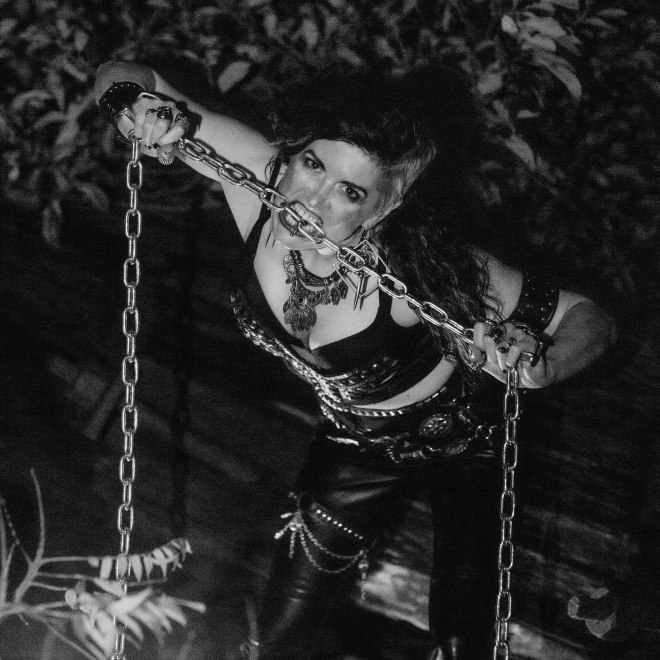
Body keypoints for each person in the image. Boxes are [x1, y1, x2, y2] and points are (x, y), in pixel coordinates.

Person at [94, 60, 617, 659]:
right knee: (279, 640)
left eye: (350, 192)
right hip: (355, 440)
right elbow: (127, 74)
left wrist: (542, 368)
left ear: (381, 210)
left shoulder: (425, 266)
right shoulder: (257, 178)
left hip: (468, 441)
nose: (311, 200)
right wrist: (134, 105)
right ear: (293, 155)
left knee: (461, 643)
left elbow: (591, 319)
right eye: (313, 165)